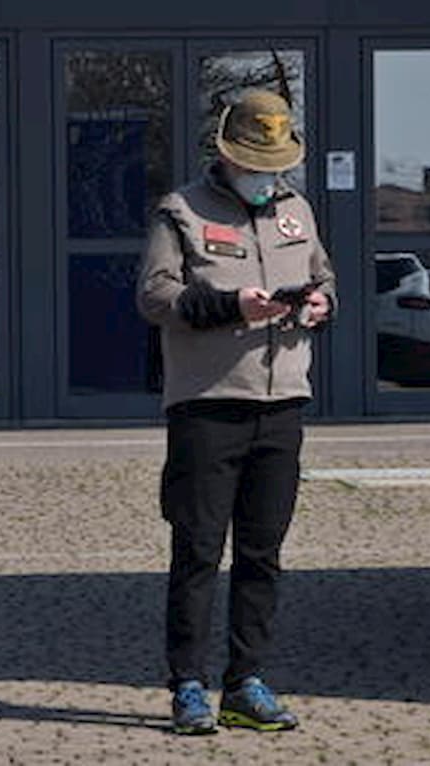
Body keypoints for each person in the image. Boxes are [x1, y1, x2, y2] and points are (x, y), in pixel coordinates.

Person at [137, 88, 336, 735]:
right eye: (256, 162)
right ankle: (188, 685)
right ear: (226, 154)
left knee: (263, 552)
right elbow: (155, 295)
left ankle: (245, 682)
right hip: (208, 406)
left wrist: (320, 305)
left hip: (282, 405)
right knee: (197, 551)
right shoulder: (182, 211)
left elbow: (323, 276)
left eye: (275, 164)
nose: (266, 176)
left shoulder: (296, 209)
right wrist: (232, 305)